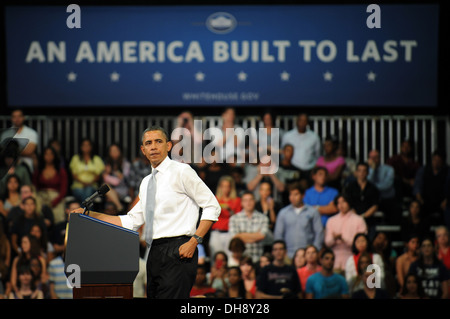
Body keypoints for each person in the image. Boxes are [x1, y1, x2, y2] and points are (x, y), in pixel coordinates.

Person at [71, 126, 221, 299]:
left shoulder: (182, 171)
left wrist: (194, 241)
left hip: (180, 248)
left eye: (158, 141)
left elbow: (212, 206)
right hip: (153, 252)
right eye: (148, 143)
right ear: (143, 150)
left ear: (169, 146)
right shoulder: (146, 182)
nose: (154, 147)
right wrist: (90, 215)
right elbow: (131, 221)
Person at [274, 182, 324, 257]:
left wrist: (314, 251)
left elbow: (319, 232)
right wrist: (281, 252)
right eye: (291, 194)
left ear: (303, 195)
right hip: (288, 255)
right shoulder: (283, 213)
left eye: (296, 194)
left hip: (307, 255)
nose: (292, 197)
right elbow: (278, 234)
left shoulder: (313, 212)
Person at [324, 194, 368, 272]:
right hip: (335, 259)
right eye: (338, 203)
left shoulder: (358, 220)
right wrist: (334, 238)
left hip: (352, 257)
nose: (341, 205)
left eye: (344, 202)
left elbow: (361, 243)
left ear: (349, 202)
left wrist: (343, 238)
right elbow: (327, 242)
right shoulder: (331, 220)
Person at [229, 191, 269, 263]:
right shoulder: (234, 218)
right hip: (240, 259)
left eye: (251, 200)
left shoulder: (263, 218)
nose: (248, 202)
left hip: (258, 258)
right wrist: (255, 235)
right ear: (241, 203)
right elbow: (235, 238)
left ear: (255, 201)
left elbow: (262, 236)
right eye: (245, 200)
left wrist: (241, 235)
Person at [281, 113, 321, 185]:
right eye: (300, 120)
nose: (302, 123)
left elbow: (318, 155)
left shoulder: (314, 137)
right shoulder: (288, 136)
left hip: (309, 170)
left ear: (307, 122)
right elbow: (283, 153)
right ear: (297, 121)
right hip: (292, 169)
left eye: (304, 121)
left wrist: (314, 169)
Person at [32, 146, 68, 224]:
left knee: (58, 218)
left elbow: (63, 190)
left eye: (51, 154)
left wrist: (55, 201)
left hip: (56, 197)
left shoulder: (61, 171)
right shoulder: (38, 171)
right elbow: (34, 187)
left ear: (54, 156)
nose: (48, 156)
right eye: (46, 154)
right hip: (41, 197)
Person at [343, 162, 379, 239]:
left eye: (364, 171)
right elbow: (347, 203)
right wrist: (356, 217)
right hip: (352, 219)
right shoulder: (350, 187)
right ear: (356, 172)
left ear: (368, 172)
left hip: (369, 220)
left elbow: (375, 205)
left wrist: (363, 216)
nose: (362, 173)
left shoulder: (373, 188)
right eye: (359, 170)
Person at [413, 149, 449, 225]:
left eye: (438, 161)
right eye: (434, 160)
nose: (436, 163)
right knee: (418, 209)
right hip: (426, 201)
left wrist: (446, 200)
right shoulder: (423, 170)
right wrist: (420, 199)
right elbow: (417, 187)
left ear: (442, 161)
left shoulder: (447, 171)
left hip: (442, 202)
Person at [209, 175, 241, 259]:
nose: (225, 189)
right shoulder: (215, 199)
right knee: (216, 257)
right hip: (216, 232)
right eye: (223, 186)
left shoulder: (236, 201)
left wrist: (230, 210)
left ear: (231, 188)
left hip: (230, 232)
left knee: (231, 258)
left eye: (227, 186)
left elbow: (238, 218)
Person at [1, 109, 39, 175]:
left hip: (28, 167)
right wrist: (24, 152)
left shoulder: (31, 133)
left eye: (19, 116)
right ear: (11, 118)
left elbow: (30, 151)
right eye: (14, 116)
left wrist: (11, 150)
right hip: (8, 168)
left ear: (23, 117)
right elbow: (3, 151)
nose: (17, 119)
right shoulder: (5, 134)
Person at [367, 149, 400, 224]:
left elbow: (387, 186)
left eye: (375, 157)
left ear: (380, 158)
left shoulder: (389, 169)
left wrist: (372, 188)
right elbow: (366, 184)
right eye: (371, 157)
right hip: (371, 201)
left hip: (387, 199)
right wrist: (372, 169)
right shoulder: (366, 170)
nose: (373, 160)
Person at [69, 138, 105, 204]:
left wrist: (89, 183)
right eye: (84, 145)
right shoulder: (75, 158)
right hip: (78, 186)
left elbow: (98, 176)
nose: (86, 147)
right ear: (81, 147)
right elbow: (73, 175)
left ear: (91, 147)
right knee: (84, 194)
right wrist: (83, 183)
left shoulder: (96, 159)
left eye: (88, 145)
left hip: (92, 186)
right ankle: (87, 212)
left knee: (88, 191)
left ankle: (82, 212)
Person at [102, 143, 131, 213]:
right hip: (111, 190)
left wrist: (119, 175)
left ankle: (118, 206)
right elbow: (104, 178)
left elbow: (125, 180)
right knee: (105, 187)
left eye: (116, 150)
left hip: (122, 189)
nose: (114, 153)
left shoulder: (125, 164)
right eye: (112, 151)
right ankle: (119, 206)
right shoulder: (107, 163)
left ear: (120, 152)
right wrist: (107, 173)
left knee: (108, 194)